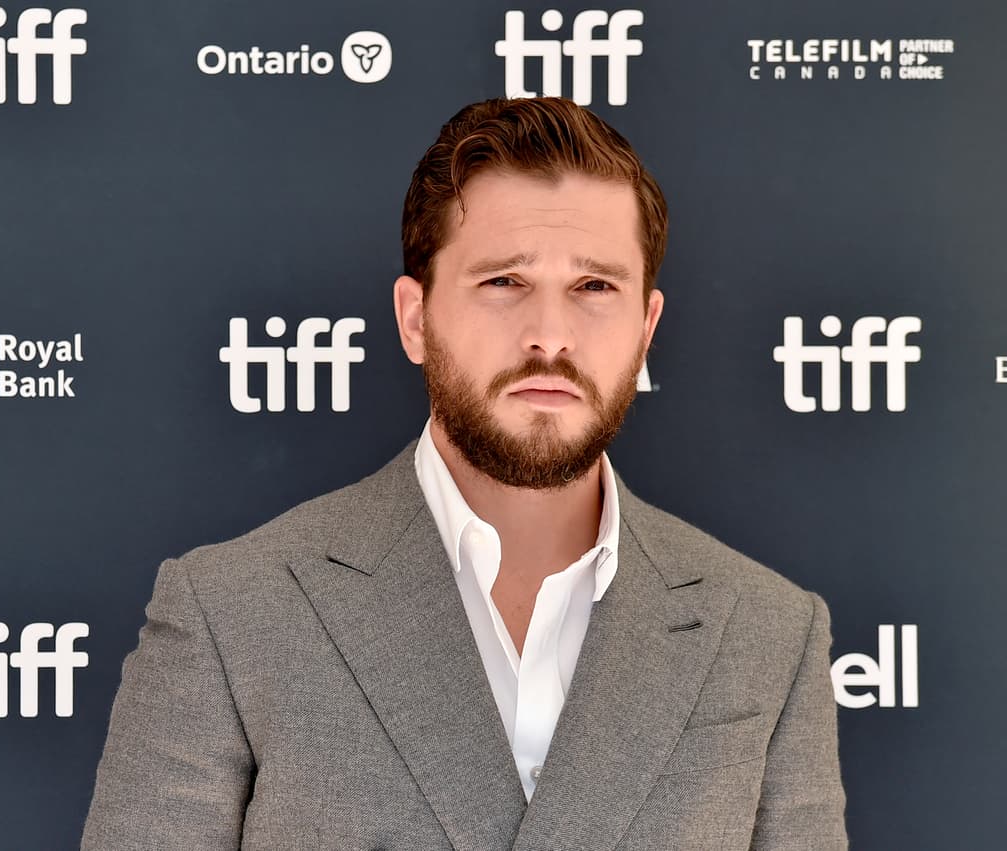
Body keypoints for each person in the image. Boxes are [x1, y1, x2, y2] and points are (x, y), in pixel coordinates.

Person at [82, 96, 847, 850]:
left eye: (594, 288)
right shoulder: (229, 614)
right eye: (504, 282)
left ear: (645, 329)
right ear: (416, 318)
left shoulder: (769, 634)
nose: (550, 335)